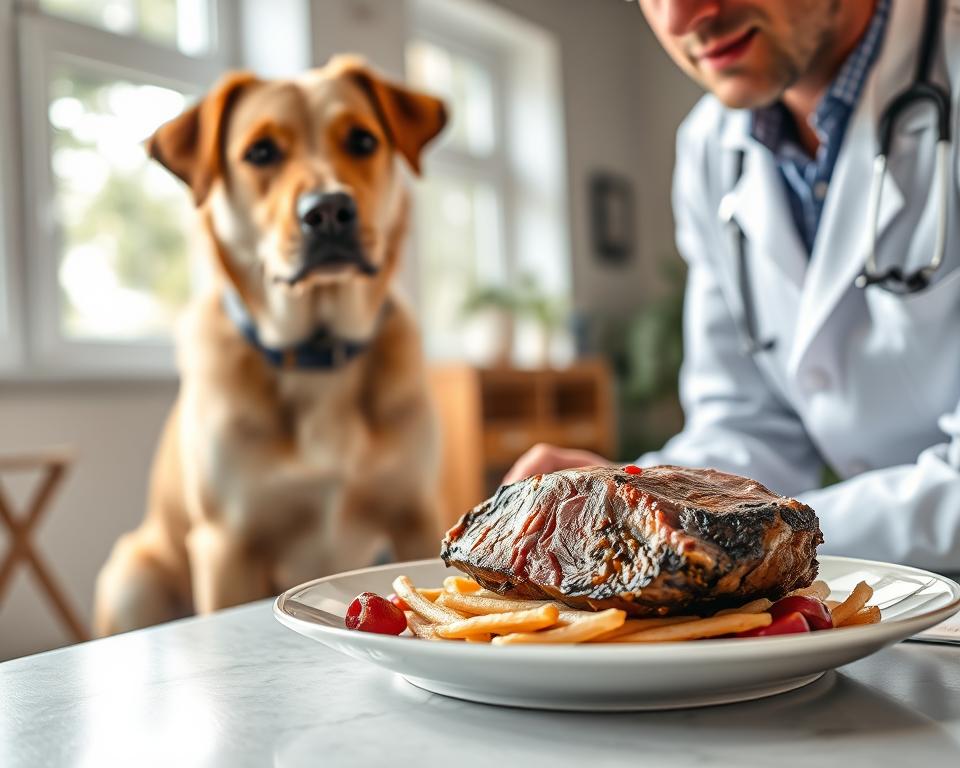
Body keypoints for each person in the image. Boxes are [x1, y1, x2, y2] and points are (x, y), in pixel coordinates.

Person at [505, 0, 960, 571]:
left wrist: (748, 533)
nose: (679, 18)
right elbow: (747, 427)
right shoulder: (710, 148)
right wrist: (642, 497)